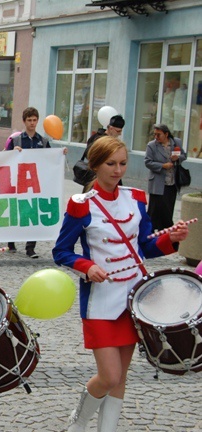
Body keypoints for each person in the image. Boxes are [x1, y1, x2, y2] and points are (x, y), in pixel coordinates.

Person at [52, 136, 188, 432]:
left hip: (135, 299)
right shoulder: (81, 205)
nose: (117, 170)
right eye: (110, 164)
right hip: (101, 299)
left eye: (123, 163)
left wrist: (170, 240)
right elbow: (60, 251)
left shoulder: (136, 198)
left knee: (121, 377)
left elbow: (145, 247)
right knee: (109, 375)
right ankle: (78, 421)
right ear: (95, 165)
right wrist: (87, 267)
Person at [6, 106, 68, 258]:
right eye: (29, 120)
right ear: (24, 121)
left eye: (34, 120)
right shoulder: (16, 140)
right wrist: (14, 153)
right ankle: (11, 240)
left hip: (36, 183)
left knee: (33, 212)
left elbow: (49, 159)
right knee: (18, 211)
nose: (32, 123)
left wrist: (60, 154)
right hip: (18, 182)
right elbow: (4, 160)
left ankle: (30, 247)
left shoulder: (43, 141)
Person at [144, 123, 187, 232]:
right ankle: (149, 233)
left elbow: (184, 155)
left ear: (166, 134)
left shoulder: (176, 142)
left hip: (172, 183)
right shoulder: (152, 145)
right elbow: (148, 162)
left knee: (167, 211)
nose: (156, 137)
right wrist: (162, 166)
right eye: (155, 134)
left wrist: (177, 158)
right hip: (158, 183)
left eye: (159, 135)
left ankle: (166, 234)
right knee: (154, 211)